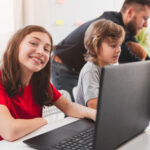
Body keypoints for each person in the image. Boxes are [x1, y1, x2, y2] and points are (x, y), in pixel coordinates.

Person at [0, 25, 96, 142]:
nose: (41, 52)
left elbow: (68, 106)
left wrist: (96, 114)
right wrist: (42, 121)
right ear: (15, 46)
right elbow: (10, 131)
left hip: (27, 143)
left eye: (46, 49)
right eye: (33, 43)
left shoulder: (38, 82)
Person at [51, 0, 150, 100]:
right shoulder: (112, 26)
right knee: (71, 110)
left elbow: (141, 57)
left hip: (81, 67)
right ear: (130, 12)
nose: (146, 24)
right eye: (144, 18)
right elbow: (128, 59)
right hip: (64, 67)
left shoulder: (123, 28)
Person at [75, 19, 125, 109]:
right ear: (95, 46)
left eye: (119, 45)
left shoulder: (110, 67)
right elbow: (94, 106)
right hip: (88, 121)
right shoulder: (91, 70)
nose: (118, 50)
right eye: (113, 45)